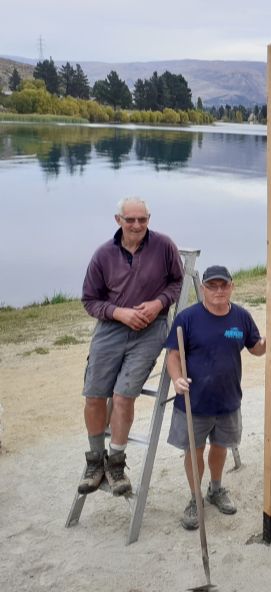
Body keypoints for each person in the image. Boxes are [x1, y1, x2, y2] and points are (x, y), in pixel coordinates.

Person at [79, 197, 183, 497]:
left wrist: (158, 303)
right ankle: (95, 460)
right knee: (95, 395)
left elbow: (176, 283)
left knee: (124, 396)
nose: (137, 225)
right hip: (111, 329)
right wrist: (119, 312)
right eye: (130, 220)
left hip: (150, 330)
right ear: (118, 220)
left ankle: (116, 463)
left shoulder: (164, 246)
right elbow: (89, 300)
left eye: (143, 219)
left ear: (149, 218)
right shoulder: (103, 255)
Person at [165, 265, 266, 530]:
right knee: (194, 450)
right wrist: (176, 379)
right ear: (203, 289)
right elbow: (173, 356)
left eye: (223, 285)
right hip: (193, 401)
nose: (218, 291)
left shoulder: (241, 317)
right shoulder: (187, 319)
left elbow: (256, 348)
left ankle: (216, 489)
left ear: (232, 286)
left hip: (228, 399)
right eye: (212, 286)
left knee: (221, 447)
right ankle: (194, 497)